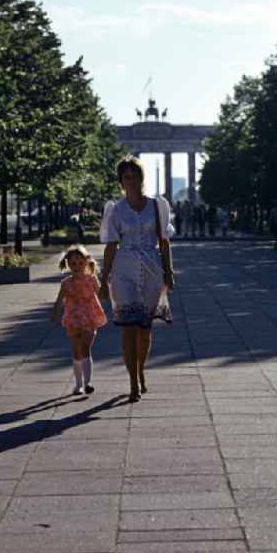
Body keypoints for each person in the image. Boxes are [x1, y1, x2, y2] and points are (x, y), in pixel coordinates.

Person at [99, 156, 175, 402]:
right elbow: (111, 245)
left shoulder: (157, 205)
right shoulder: (115, 209)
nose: (131, 181)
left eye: (135, 175)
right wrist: (103, 278)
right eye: (126, 176)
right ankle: (132, 381)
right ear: (121, 181)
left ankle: (141, 370)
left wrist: (169, 273)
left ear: (143, 178)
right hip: (124, 270)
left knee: (144, 328)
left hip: (152, 270)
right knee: (128, 327)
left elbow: (164, 242)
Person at [50, 244, 107, 395]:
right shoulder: (66, 283)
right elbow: (59, 300)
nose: (77, 266)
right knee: (76, 352)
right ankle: (78, 384)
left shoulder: (91, 279)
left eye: (80, 263)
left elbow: (101, 294)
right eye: (73, 263)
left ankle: (88, 383)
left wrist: (107, 290)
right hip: (73, 319)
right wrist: (55, 313)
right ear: (68, 264)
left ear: (86, 263)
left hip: (89, 317)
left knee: (85, 348)